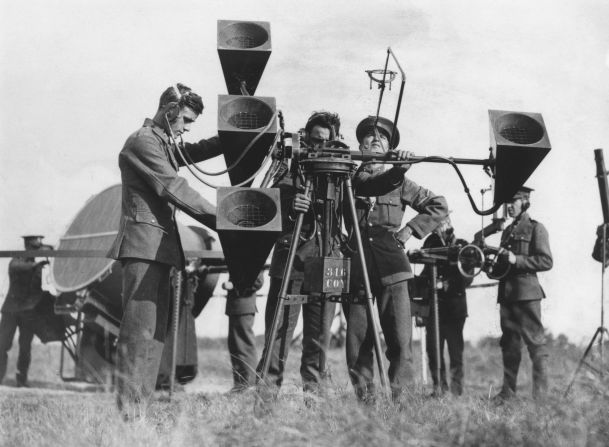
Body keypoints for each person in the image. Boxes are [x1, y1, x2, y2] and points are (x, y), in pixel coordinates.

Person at [107, 83, 221, 418]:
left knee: (153, 336)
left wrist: (233, 140)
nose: (186, 128)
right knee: (139, 334)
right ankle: (129, 414)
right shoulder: (143, 142)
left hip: (157, 250)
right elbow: (173, 186)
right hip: (144, 250)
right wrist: (224, 219)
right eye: (185, 119)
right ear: (169, 109)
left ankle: (136, 412)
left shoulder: (160, 142)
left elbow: (192, 152)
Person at [344, 116, 448, 402]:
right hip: (356, 267)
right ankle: (366, 404)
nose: (375, 139)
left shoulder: (401, 182)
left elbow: (439, 205)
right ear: (360, 144)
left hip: (393, 267)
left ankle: (403, 405)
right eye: (369, 136)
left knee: (401, 342)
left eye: (383, 137)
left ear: (390, 147)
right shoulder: (345, 179)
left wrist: (407, 233)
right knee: (357, 344)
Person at [255, 111, 342, 407]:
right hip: (290, 264)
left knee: (318, 343)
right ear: (305, 138)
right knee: (277, 338)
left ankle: (315, 406)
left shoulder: (340, 177)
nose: (319, 148)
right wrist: (291, 205)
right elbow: (262, 207)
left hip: (326, 263)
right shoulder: (287, 171)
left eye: (326, 143)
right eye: (315, 140)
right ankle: (264, 404)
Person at [493, 186, 553, 401]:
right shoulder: (508, 231)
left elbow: (546, 261)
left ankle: (541, 399)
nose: (509, 207)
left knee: (536, 345)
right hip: (507, 296)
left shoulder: (536, 228)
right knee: (509, 346)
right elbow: (504, 266)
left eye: (514, 202)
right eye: (507, 202)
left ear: (525, 202)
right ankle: (507, 393)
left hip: (527, 295)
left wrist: (515, 260)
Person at [420, 216, 472, 396]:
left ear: (449, 224)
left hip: (454, 309)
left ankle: (457, 392)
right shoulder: (430, 244)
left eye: (440, 224)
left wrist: (445, 284)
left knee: (455, 352)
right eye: (434, 225)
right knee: (433, 351)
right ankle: (439, 388)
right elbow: (425, 271)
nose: (436, 228)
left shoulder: (462, 246)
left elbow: (467, 276)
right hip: (434, 310)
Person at [0, 235, 50, 387]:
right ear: (27, 247)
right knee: (2, 345)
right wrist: (38, 263)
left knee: (25, 347)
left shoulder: (36, 265)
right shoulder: (17, 260)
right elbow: (18, 267)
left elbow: (36, 289)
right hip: (11, 311)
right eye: (35, 249)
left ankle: (22, 380)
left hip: (28, 311)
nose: (37, 252)